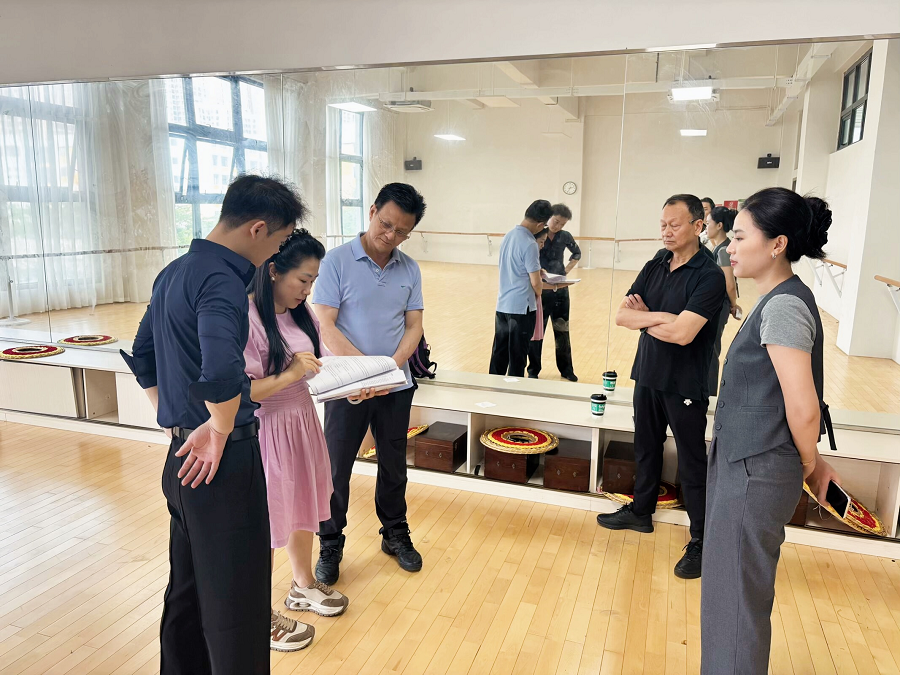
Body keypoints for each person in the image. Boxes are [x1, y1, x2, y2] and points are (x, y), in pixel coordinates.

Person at [123, 175, 310, 674]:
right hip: (221, 466)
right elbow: (224, 372)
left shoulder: (174, 271)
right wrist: (218, 430)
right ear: (257, 229)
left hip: (181, 461)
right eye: (277, 241)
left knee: (186, 595)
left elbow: (142, 355)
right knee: (238, 610)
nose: (273, 255)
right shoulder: (223, 279)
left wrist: (178, 422)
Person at [701, 188, 841, 674]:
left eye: (741, 237)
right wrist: (811, 462)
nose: (730, 247)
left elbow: (803, 406)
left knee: (736, 602)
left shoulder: (782, 307)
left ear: (777, 244)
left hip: (756, 471)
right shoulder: (778, 301)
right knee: (730, 595)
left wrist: (808, 463)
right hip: (749, 464)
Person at [596, 194, 726, 580]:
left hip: (686, 381)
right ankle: (641, 512)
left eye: (675, 225)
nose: (666, 232)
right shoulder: (656, 262)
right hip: (648, 372)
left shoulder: (709, 275)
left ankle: (701, 539)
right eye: (663, 225)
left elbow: (684, 334)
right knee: (646, 447)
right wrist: (665, 317)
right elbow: (622, 316)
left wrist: (647, 318)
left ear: (698, 226)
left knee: (691, 460)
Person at [313, 182, 427, 585]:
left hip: (395, 385)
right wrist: (365, 372)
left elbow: (414, 326)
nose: (391, 236)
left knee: (394, 464)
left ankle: (395, 532)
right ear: (373, 211)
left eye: (402, 231)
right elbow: (325, 324)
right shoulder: (336, 261)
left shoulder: (409, 268)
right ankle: (330, 542)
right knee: (336, 467)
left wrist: (390, 369)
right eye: (386, 224)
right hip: (348, 385)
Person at [243, 229, 351, 650]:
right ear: (273, 271)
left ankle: (302, 585)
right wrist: (290, 374)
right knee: (270, 517)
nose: (308, 290)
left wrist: (349, 383)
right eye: (303, 280)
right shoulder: (249, 316)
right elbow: (243, 391)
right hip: (269, 427)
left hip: (303, 419)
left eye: (313, 281)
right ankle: (256, 611)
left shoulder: (298, 311)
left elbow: (318, 361)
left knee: (304, 500)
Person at [490, 199, 552, 378]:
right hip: (522, 309)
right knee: (518, 357)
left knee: (499, 353)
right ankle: (513, 392)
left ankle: (491, 387)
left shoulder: (509, 235)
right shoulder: (530, 243)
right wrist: (539, 291)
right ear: (540, 224)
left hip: (503, 305)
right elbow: (536, 283)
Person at [527, 203, 581, 382]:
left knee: (562, 330)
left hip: (560, 291)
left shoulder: (565, 236)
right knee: (537, 332)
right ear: (549, 217)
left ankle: (566, 370)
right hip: (540, 289)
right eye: (556, 221)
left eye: (562, 224)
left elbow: (577, 254)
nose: (558, 226)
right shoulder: (537, 234)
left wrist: (566, 271)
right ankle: (533, 369)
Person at [705, 206, 740, 395]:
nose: (706, 227)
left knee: (711, 350)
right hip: (716, 305)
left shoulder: (724, 250)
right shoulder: (718, 247)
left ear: (719, 225)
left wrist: (733, 305)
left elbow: (729, 284)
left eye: (708, 223)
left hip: (720, 306)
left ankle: (710, 394)